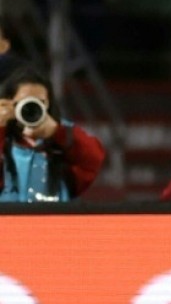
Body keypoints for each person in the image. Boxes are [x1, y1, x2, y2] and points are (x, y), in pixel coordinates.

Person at [0, 66, 105, 202]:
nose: (31, 107)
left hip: (53, 222)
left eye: (39, 102)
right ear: (9, 103)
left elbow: (94, 159)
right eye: (24, 102)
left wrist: (57, 132)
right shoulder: (4, 137)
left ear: (48, 103)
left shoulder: (64, 133)